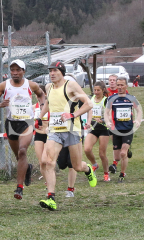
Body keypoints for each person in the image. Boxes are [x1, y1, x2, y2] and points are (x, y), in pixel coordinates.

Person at [37, 61, 98, 210]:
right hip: (55, 130)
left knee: (77, 166)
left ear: (62, 72)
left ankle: (88, 169)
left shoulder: (70, 85)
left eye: (55, 71)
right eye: (50, 71)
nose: (52, 73)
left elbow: (88, 103)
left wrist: (72, 114)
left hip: (72, 130)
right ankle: (51, 198)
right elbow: (49, 103)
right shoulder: (48, 87)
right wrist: (40, 116)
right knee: (49, 162)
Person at [0, 59, 45, 199]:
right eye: (12, 70)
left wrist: (42, 109)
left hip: (26, 122)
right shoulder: (4, 85)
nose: (15, 73)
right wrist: (0, 105)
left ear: (23, 71)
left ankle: (19, 188)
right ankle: (27, 168)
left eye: (18, 70)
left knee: (22, 151)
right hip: (11, 123)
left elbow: (41, 95)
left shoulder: (31, 85)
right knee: (18, 156)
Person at [105, 78, 141, 181]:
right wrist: (108, 121)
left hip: (128, 129)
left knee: (123, 153)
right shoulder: (111, 98)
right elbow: (107, 112)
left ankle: (122, 174)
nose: (120, 87)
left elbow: (138, 111)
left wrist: (138, 120)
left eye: (122, 85)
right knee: (117, 157)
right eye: (118, 85)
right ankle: (126, 150)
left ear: (126, 86)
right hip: (116, 130)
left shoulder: (131, 98)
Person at [82, 81, 113, 181]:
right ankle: (95, 164)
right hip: (94, 128)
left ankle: (106, 174)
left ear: (103, 90)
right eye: (95, 90)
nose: (96, 92)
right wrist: (88, 122)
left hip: (104, 129)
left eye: (98, 90)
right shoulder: (91, 99)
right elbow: (89, 112)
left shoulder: (106, 100)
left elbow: (109, 116)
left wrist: (103, 120)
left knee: (102, 154)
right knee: (87, 149)